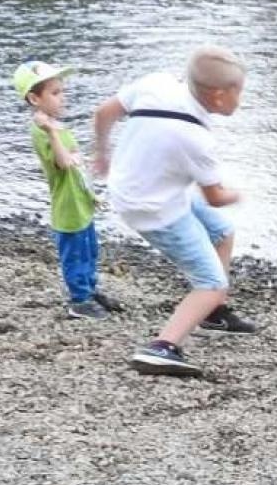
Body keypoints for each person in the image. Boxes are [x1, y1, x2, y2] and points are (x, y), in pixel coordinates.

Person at [91, 45, 257, 378]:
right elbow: (215, 197)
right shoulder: (195, 138)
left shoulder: (156, 84)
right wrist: (241, 193)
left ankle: (214, 311)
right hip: (153, 209)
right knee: (210, 281)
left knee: (222, 232)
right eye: (239, 92)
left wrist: (102, 153)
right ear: (219, 96)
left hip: (139, 188)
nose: (241, 99)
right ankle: (163, 347)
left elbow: (103, 113)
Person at [12, 60, 122, 321]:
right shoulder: (42, 131)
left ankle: (90, 289)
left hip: (79, 199)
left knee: (89, 250)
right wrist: (50, 131)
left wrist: (91, 194)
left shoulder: (56, 126)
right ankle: (79, 300)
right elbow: (62, 163)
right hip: (67, 206)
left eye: (62, 91)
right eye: (55, 93)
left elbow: (76, 167)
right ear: (33, 98)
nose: (63, 98)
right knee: (74, 254)